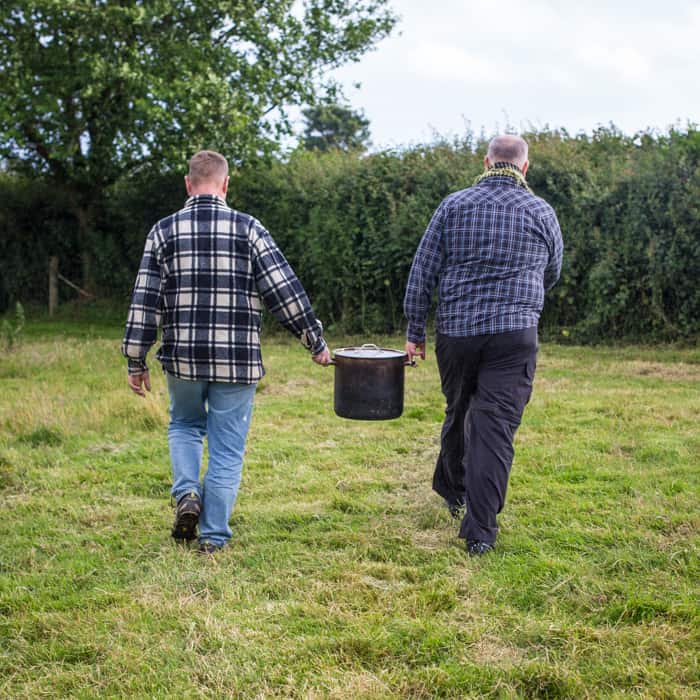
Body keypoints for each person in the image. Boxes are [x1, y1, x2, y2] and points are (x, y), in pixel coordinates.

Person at [122, 150, 331, 554]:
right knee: (227, 447)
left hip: (182, 357)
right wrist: (314, 340)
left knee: (183, 424)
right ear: (225, 184)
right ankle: (214, 538)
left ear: (188, 184)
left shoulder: (163, 231)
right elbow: (284, 292)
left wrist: (136, 358)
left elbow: (144, 300)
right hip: (236, 360)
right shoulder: (248, 228)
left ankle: (187, 494)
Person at [403, 135, 563, 556]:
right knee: (494, 425)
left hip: (457, 332)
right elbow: (554, 270)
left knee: (460, 409)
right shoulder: (541, 211)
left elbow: (423, 271)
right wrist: (524, 297)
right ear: (524, 168)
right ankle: (479, 531)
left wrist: (415, 331)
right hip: (515, 335)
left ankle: (454, 491)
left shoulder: (453, 206)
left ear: (486, 161)